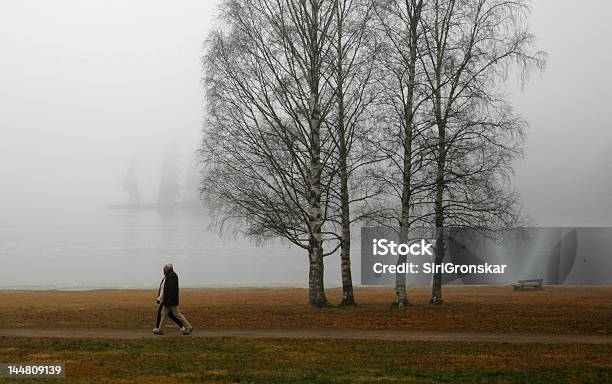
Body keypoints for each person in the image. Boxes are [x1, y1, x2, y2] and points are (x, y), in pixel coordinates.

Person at [152, 263, 193, 335]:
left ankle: (188, 327)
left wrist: (167, 300)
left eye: (164, 269)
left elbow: (169, 290)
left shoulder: (171, 276)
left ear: (167, 269)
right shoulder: (171, 275)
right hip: (169, 300)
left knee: (177, 314)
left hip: (170, 301)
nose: (164, 270)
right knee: (163, 314)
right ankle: (160, 329)